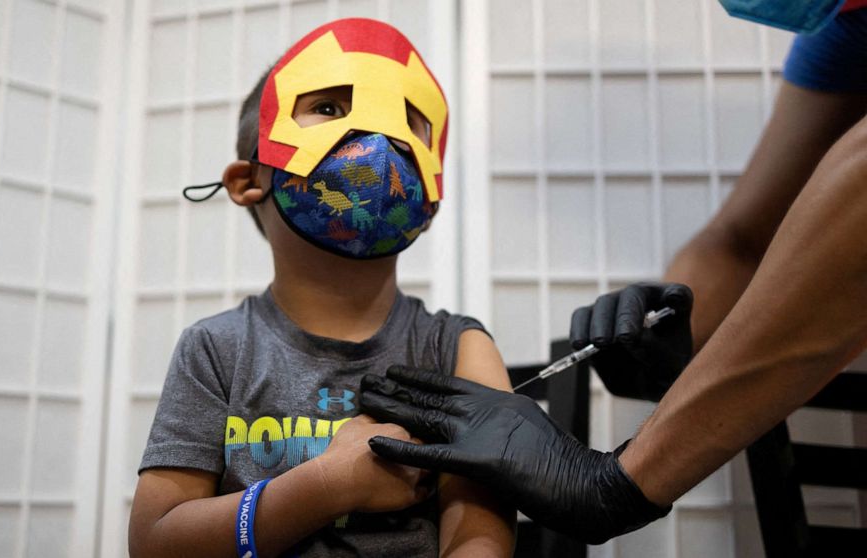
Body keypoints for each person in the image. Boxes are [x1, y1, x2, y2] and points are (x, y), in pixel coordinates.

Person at [358, 1, 867, 545]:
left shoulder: (457, 342)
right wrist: (677, 344)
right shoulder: (846, 30)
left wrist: (619, 483)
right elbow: (740, 243)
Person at [128, 18, 516, 558]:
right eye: (329, 109)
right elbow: (155, 543)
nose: (378, 140)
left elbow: (481, 542)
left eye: (409, 120)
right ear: (247, 182)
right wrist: (329, 485)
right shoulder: (215, 350)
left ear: (430, 202)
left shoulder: (460, 349)